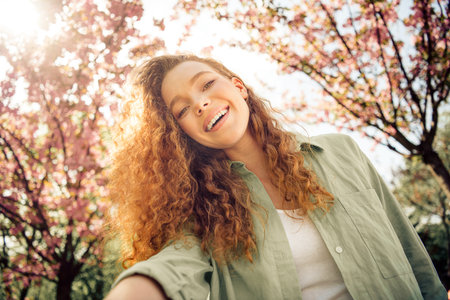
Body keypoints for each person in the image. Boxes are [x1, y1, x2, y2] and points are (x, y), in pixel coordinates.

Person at [105, 54, 446, 300]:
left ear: (239, 87)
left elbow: (410, 252)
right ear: (182, 135)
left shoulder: (342, 152)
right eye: (182, 109)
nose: (201, 103)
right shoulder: (201, 213)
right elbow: (172, 269)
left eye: (207, 84)